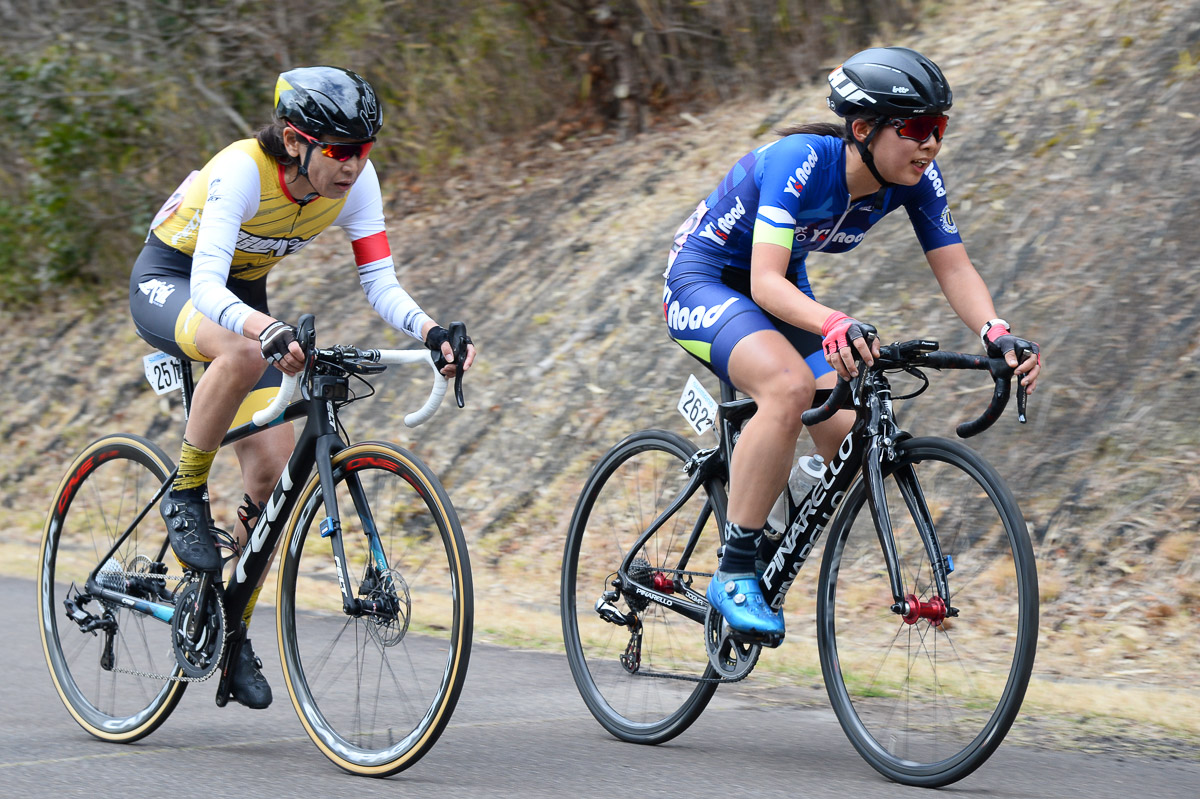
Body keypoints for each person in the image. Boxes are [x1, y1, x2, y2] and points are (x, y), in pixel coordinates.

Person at [661, 46, 1040, 638]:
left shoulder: (915, 178)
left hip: (782, 283)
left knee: (852, 441)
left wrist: (996, 331)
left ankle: (778, 490)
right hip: (706, 278)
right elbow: (762, 280)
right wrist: (834, 321)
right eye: (916, 128)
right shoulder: (801, 159)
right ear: (863, 130)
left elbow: (955, 268)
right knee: (787, 388)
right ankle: (734, 569)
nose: (931, 144)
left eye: (939, 129)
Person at [130, 66, 476, 707]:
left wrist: (431, 333)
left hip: (244, 296)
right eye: (341, 151)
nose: (353, 165)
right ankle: (183, 491)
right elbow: (207, 288)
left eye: (364, 150)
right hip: (173, 278)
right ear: (295, 141)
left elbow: (379, 283)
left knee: (269, 475)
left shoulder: (357, 182)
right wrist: (266, 329)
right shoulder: (241, 171)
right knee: (237, 349)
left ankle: (224, 624)